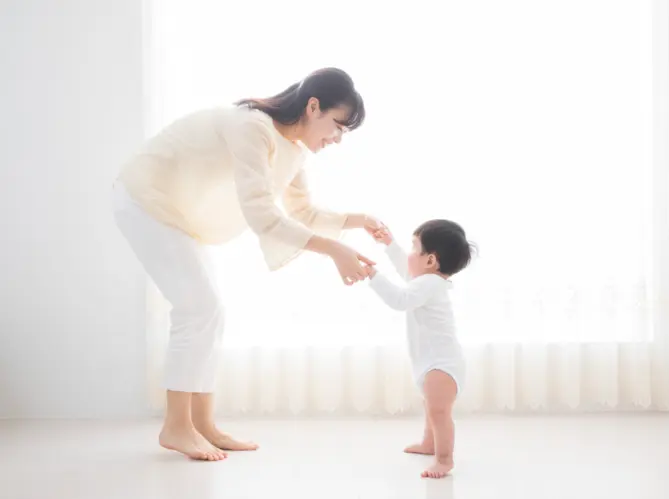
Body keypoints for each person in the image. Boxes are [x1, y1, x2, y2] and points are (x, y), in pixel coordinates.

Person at [112, 68, 381, 461]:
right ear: (313, 106)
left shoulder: (293, 149)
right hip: (144, 196)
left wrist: (358, 221)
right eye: (337, 126)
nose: (337, 139)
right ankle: (176, 426)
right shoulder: (253, 127)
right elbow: (261, 214)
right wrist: (334, 251)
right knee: (197, 308)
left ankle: (202, 425)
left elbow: (302, 212)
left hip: (175, 213)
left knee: (210, 311)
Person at [365, 220, 474, 478]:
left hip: (442, 364)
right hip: (433, 361)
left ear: (431, 261)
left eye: (414, 248)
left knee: (439, 411)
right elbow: (407, 271)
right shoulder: (426, 281)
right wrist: (389, 244)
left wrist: (373, 276)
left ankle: (445, 460)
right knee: (431, 407)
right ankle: (429, 443)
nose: (410, 254)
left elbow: (399, 299)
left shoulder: (429, 285)